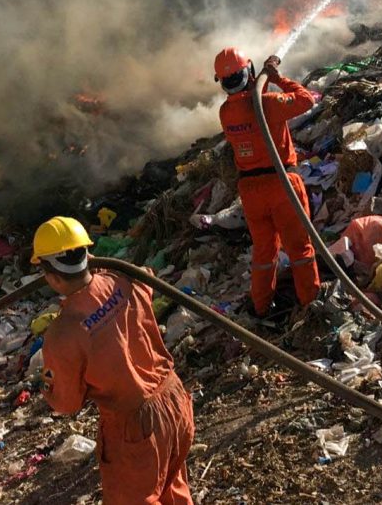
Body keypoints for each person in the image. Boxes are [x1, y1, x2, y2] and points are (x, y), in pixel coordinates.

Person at [34, 216, 194, 505]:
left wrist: (46, 385)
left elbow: (67, 403)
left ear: (52, 277)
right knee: (173, 489)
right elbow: (147, 278)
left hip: (136, 428)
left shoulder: (63, 333)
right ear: (86, 253)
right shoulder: (121, 278)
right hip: (175, 401)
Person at [214, 48, 321, 317]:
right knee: (300, 248)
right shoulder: (267, 103)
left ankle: (261, 306)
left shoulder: (226, 113)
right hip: (282, 183)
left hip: (250, 192)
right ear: (249, 71)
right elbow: (306, 100)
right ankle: (310, 303)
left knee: (264, 252)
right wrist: (277, 77)